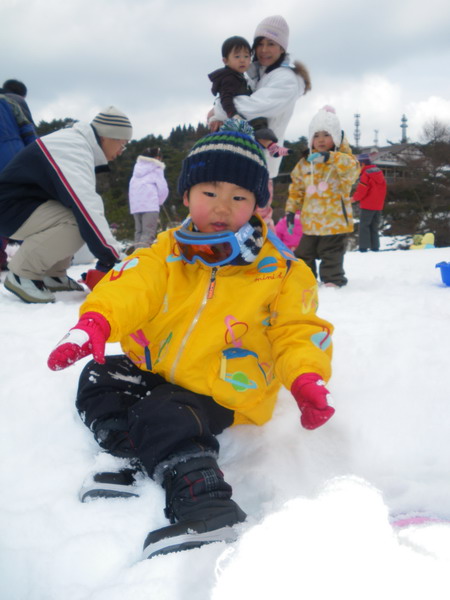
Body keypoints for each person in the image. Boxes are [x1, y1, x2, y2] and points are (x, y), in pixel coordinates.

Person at [47, 123, 335, 561]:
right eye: (210, 192)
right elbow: (132, 287)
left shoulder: (280, 270)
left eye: (239, 197)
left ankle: (209, 505)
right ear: (185, 196)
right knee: (101, 377)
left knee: (167, 414)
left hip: (223, 387)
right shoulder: (166, 252)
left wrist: (305, 377)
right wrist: (97, 322)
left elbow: (297, 330)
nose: (222, 207)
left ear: (258, 204)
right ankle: (132, 455)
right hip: (160, 369)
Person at [0, 106, 132, 304]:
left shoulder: (77, 144)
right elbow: (86, 206)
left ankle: (53, 274)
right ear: (108, 137)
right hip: (10, 208)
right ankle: (22, 273)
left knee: (77, 217)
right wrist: (113, 258)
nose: (121, 151)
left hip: (21, 206)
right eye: (123, 144)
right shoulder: (73, 148)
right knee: (77, 220)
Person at [208, 15, 311, 227]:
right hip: (243, 156)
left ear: (282, 47)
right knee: (232, 219)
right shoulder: (256, 73)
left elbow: (251, 107)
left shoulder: (286, 79)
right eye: (259, 44)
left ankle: (266, 249)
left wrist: (217, 110)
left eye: (271, 44)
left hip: (261, 161)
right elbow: (233, 97)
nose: (264, 50)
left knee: (256, 221)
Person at [285, 106, 360, 287]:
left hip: (335, 221)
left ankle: (333, 280)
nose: (320, 140)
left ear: (335, 137)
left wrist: (331, 157)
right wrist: (290, 211)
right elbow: (296, 189)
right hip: (311, 221)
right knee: (304, 253)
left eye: (326, 135)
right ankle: (306, 279)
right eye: (316, 135)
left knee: (331, 253)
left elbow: (352, 170)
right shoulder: (304, 164)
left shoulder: (343, 160)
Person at [208, 35, 291, 158]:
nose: (242, 60)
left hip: (239, 117)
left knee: (257, 126)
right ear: (225, 61)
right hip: (236, 117)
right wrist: (233, 114)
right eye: (237, 57)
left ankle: (269, 147)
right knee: (257, 124)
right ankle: (271, 147)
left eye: (246, 56)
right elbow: (225, 98)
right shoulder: (229, 78)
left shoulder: (240, 76)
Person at [127, 147, 169, 252]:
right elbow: (163, 188)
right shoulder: (156, 168)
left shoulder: (137, 169)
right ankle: (143, 255)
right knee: (148, 233)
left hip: (136, 206)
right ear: (157, 157)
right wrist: (159, 201)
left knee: (139, 232)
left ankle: (136, 255)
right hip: (150, 205)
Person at [352, 150, 387, 252]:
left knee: (364, 226)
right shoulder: (379, 173)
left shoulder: (365, 175)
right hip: (378, 205)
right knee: (374, 227)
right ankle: (375, 247)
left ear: (362, 164)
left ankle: (363, 248)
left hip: (367, 205)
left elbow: (362, 191)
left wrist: (353, 198)